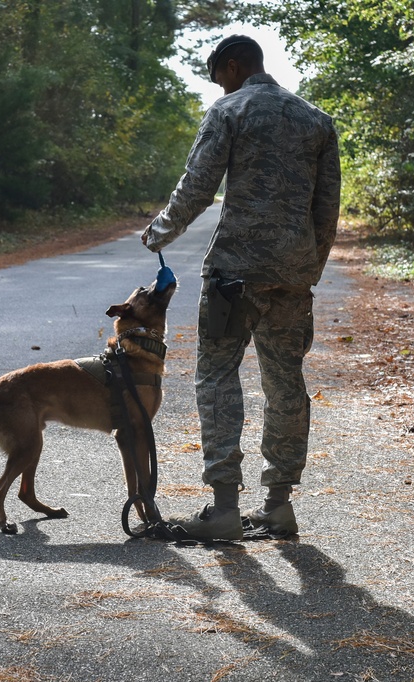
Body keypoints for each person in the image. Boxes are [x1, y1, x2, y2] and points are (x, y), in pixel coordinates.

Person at [141, 35, 341, 540]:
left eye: (217, 76)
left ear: (233, 66)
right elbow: (326, 207)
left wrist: (160, 232)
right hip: (292, 279)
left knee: (216, 378)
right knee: (285, 384)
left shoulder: (230, 110)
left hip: (234, 276)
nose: (218, 86)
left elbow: (198, 184)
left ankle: (225, 508)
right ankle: (278, 506)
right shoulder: (316, 120)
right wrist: (307, 270)